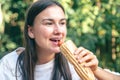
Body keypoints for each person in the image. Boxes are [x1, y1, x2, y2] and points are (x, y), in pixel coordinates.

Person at [0, 0, 119, 80]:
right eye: (49, 23)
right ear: (31, 31)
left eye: (62, 23)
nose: (58, 31)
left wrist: (95, 70)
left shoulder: (73, 64)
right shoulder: (10, 65)